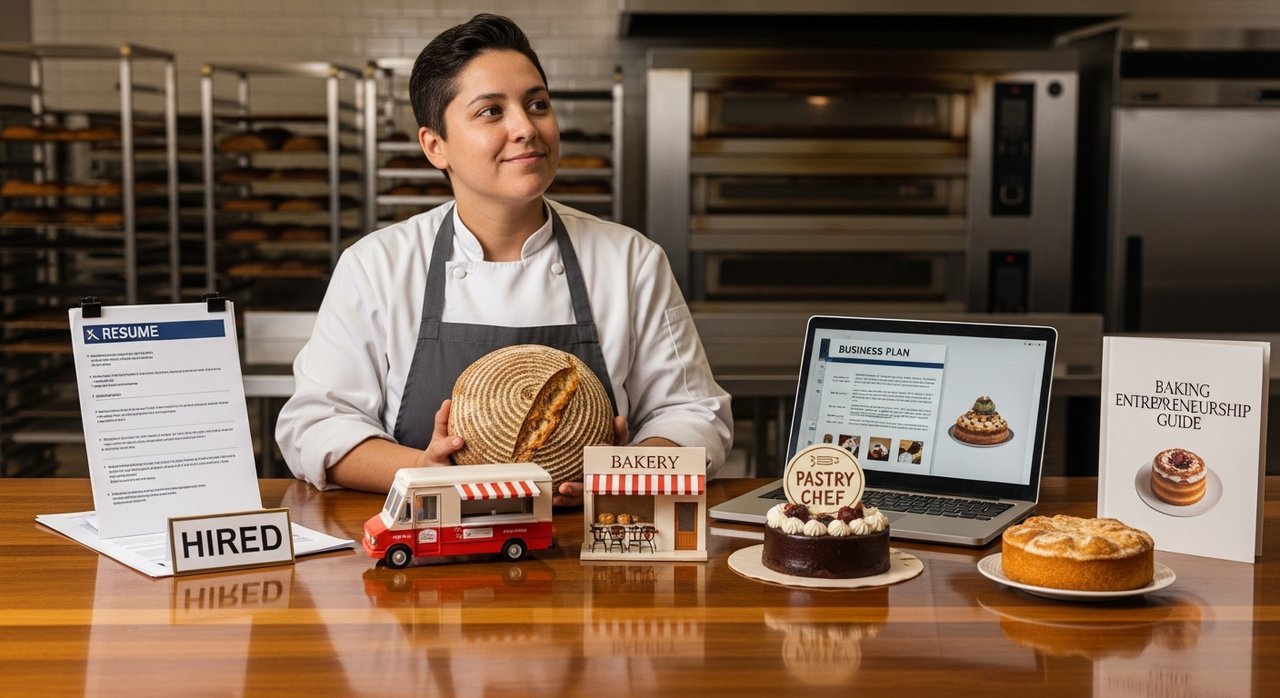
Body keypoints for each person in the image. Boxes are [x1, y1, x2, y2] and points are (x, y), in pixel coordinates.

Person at [275, 14, 733, 505]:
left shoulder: (630, 260)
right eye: (491, 111)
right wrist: (420, 468)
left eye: (537, 104)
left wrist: (621, 474)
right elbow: (317, 426)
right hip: (429, 538)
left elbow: (692, 415)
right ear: (435, 146)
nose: (526, 128)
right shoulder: (377, 265)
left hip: (587, 548)